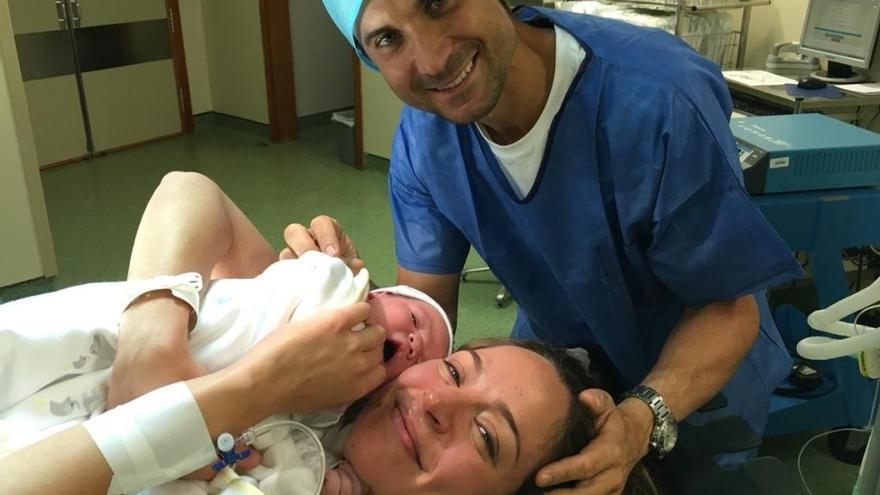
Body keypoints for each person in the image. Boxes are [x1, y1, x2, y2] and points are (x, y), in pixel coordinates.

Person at [281, 1, 807, 493]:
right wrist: (351, 315)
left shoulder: (655, 100)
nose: (433, 59)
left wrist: (642, 416)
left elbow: (725, 305)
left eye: (438, 1)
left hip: (701, 371)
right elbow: (427, 314)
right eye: (388, 38)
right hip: (552, 368)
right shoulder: (427, 136)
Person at [0, 175, 452, 494]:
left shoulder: (334, 431)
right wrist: (151, 343)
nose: (414, 345)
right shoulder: (330, 298)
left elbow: (271, 462)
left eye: (423, 360)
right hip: (93, 356)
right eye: (414, 320)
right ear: (374, 290)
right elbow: (188, 190)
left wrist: (320, 476)